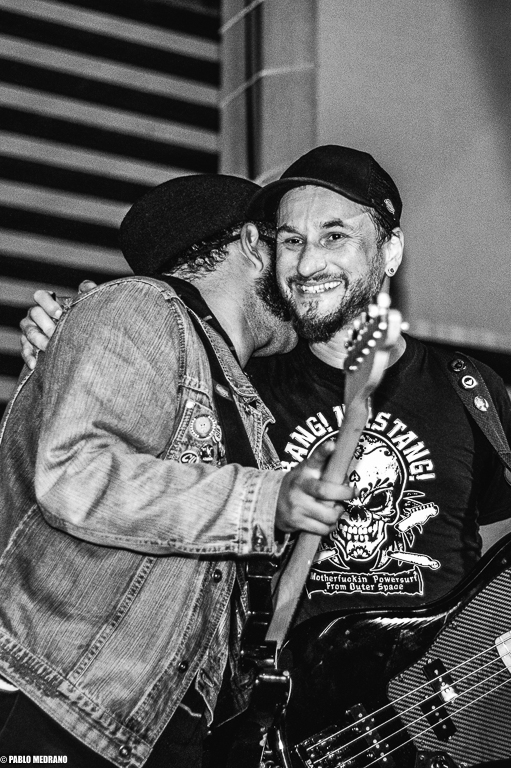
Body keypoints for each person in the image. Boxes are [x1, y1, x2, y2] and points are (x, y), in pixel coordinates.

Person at [20, 147, 511, 760]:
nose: (308, 262)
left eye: (335, 236)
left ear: (390, 251)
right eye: (291, 241)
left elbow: (497, 567)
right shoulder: (236, 385)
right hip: (278, 725)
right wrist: (68, 359)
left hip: (439, 722)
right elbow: (115, 483)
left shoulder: (471, 390)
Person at [0, 173, 357, 767]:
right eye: (288, 244)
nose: (303, 268)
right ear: (253, 244)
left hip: (147, 727)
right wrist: (265, 501)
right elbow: (75, 474)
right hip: (55, 706)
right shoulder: (142, 306)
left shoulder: (241, 402)